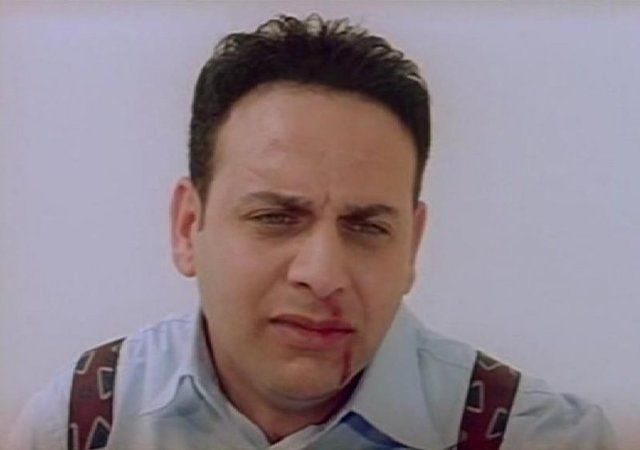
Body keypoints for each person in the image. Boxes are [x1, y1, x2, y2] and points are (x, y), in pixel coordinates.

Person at [10, 13, 616, 450]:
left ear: (412, 245)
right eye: (275, 218)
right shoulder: (80, 425)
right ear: (188, 227)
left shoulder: (542, 437)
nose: (322, 274)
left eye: (367, 226)